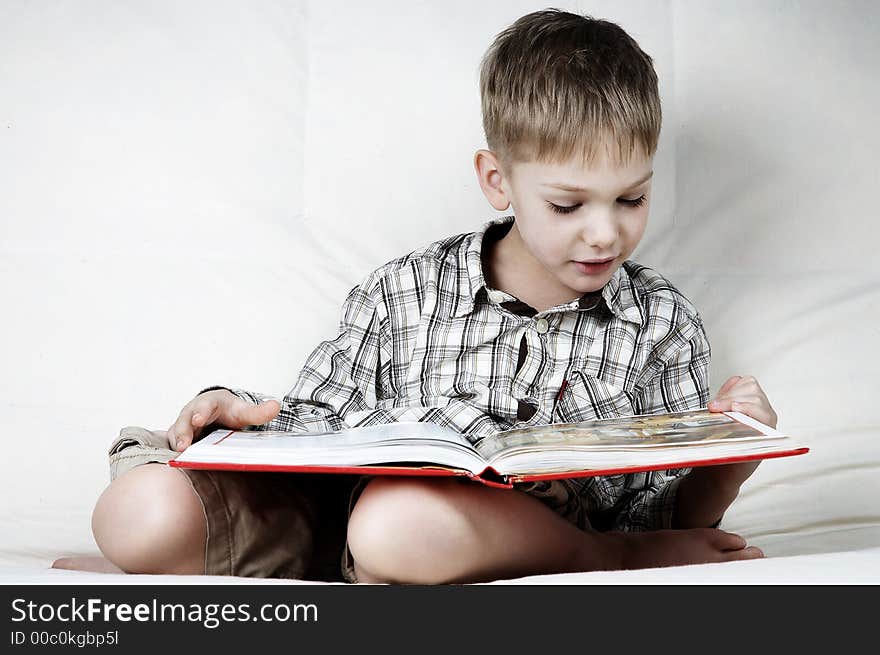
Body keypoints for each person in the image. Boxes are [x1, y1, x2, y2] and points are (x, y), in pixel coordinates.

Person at [53, 8, 778, 584]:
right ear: (498, 180)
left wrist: (725, 461)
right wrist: (242, 412)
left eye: (631, 198)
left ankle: (595, 570)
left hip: (477, 530)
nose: (604, 233)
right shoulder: (404, 288)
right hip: (332, 521)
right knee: (138, 512)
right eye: (567, 205)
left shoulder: (660, 323)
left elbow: (660, 512)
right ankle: (291, 558)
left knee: (397, 521)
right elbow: (320, 422)